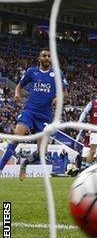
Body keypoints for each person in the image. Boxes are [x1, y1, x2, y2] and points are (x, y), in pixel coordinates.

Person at [0, 48, 68, 180]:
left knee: (42, 153)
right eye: (44, 55)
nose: (47, 57)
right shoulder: (32, 72)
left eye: (49, 56)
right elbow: (19, 86)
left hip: (45, 115)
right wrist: (17, 94)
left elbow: (65, 93)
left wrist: (58, 98)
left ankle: (24, 164)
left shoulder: (58, 73)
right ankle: (1, 167)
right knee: (17, 136)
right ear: (39, 58)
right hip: (29, 111)